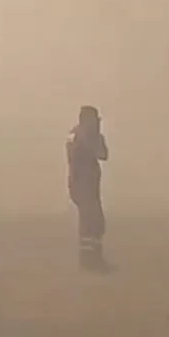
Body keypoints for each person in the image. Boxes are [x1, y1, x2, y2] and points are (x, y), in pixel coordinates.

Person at [67, 105, 109, 272]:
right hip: (83, 184)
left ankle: (92, 259)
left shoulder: (79, 136)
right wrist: (94, 137)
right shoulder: (82, 137)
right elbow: (100, 154)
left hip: (86, 184)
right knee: (91, 223)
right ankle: (90, 260)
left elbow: (103, 154)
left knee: (93, 223)